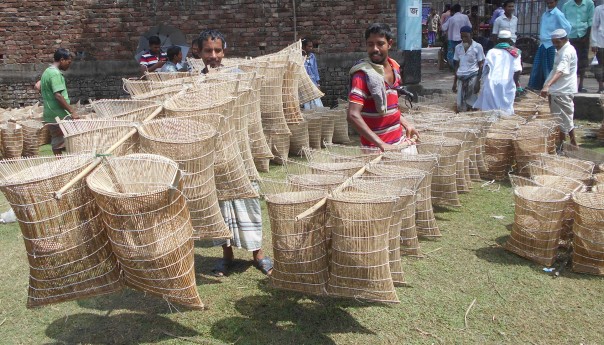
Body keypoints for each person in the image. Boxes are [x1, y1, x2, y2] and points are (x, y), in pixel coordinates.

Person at [197, 29, 273, 277]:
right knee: (221, 207)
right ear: (199, 53)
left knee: (248, 199)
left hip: (239, 152)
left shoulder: (238, 77)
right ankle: (227, 256)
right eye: (208, 51)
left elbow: (249, 112)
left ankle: (258, 255)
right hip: (214, 155)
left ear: (224, 51)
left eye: (217, 50)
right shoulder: (195, 83)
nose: (213, 55)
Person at [347, 23, 419, 151]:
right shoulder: (362, 75)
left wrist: (406, 124)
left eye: (380, 44)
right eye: (370, 44)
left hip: (400, 142)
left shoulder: (395, 67)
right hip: (376, 151)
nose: (375, 49)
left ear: (389, 44)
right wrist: (381, 144)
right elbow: (353, 115)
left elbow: (392, 107)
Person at [541, 29, 578, 146]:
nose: (555, 45)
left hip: (563, 89)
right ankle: (562, 142)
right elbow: (555, 69)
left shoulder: (567, 52)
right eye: (553, 42)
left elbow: (560, 71)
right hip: (558, 89)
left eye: (557, 42)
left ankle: (573, 143)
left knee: (565, 117)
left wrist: (548, 85)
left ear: (565, 39)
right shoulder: (562, 49)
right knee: (558, 118)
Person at [474, 30, 522, 115]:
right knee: (505, 111)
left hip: (491, 83)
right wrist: (516, 85)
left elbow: (484, 68)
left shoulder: (491, 51)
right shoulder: (515, 53)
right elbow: (517, 70)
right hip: (507, 83)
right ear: (510, 40)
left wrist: (478, 82)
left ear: (498, 40)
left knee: (489, 111)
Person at [39, 48, 78, 155]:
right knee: (74, 139)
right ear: (62, 60)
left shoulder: (47, 72)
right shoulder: (55, 74)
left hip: (50, 114)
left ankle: (59, 164)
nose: (69, 65)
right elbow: (58, 95)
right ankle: (73, 164)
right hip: (61, 115)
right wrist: (72, 111)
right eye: (68, 62)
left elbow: (38, 86)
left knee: (57, 142)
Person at [527, 0, 572, 90]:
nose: (549, 5)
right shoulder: (545, 14)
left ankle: (549, 87)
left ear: (556, 2)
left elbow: (567, 27)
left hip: (551, 44)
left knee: (550, 68)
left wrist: (561, 39)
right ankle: (535, 86)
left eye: (551, 3)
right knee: (537, 66)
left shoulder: (558, 14)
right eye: (548, 3)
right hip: (543, 44)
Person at [562, 0, 595, 92]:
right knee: (569, 61)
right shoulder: (566, 5)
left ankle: (581, 85)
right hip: (570, 36)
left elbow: (591, 21)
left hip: (583, 35)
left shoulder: (589, 4)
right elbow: (563, 22)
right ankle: (570, 85)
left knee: (583, 61)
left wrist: (587, 36)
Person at [453, 26, 485, 112]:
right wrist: (454, 82)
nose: (464, 39)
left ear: (471, 35)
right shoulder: (458, 48)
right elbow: (456, 65)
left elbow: (481, 65)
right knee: (460, 106)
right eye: (462, 37)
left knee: (473, 104)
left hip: (473, 75)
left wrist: (478, 82)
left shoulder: (477, 47)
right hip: (461, 76)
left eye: (466, 36)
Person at [442, 4, 472, 70]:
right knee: (463, 53)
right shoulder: (465, 17)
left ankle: (454, 67)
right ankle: (462, 67)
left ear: (453, 11)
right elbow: (470, 27)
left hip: (452, 39)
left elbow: (443, 28)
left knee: (451, 54)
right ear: (460, 9)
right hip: (463, 39)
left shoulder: (451, 19)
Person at [301, 37, 324, 109]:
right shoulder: (299, 57)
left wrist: (318, 84)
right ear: (304, 47)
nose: (311, 48)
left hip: (313, 83)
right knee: (306, 104)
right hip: (303, 84)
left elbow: (315, 71)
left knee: (316, 103)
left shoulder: (312, 56)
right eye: (309, 46)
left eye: (312, 46)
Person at [591, 0, 604, 93]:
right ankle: (601, 87)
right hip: (601, 42)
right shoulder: (599, 9)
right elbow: (594, 26)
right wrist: (594, 43)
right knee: (600, 66)